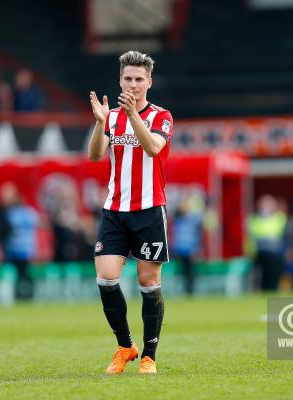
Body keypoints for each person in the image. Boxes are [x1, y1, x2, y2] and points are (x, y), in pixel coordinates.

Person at [88, 50, 173, 375]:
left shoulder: (161, 116)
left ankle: (149, 355)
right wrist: (100, 123)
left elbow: (153, 147)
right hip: (115, 210)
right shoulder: (110, 118)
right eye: (128, 79)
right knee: (106, 278)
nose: (133, 84)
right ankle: (125, 346)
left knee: (148, 282)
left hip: (149, 210)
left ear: (149, 81)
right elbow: (96, 155)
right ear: (120, 80)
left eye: (139, 79)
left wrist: (131, 114)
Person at [246, 195, 287, 291]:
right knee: (262, 279)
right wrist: (249, 251)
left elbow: (285, 237)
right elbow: (250, 238)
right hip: (260, 253)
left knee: (273, 279)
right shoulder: (254, 219)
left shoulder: (280, 218)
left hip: (275, 254)